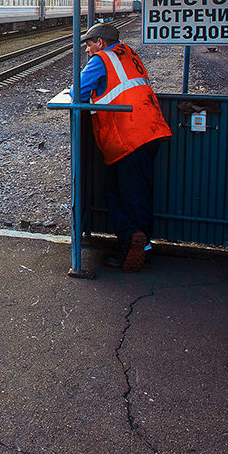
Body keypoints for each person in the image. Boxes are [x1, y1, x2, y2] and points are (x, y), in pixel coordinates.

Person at [78, 22, 172, 273]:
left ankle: (135, 243)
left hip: (129, 136)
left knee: (127, 194)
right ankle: (138, 243)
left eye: (89, 44)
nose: (88, 50)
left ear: (101, 43)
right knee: (130, 192)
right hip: (151, 131)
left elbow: (78, 91)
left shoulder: (102, 59)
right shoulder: (129, 54)